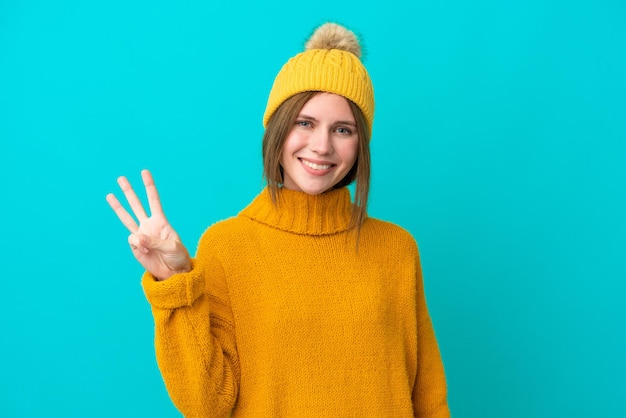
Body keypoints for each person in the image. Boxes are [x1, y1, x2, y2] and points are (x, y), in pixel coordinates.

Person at [106, 22, 450, 417]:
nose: (322, 146)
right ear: (277, 129)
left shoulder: (396, 249)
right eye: (305, 123)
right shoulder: (228, 245)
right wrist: (176, 284)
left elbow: (428, 398)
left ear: (360, 146)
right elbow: (206, 405)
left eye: (343, 129)